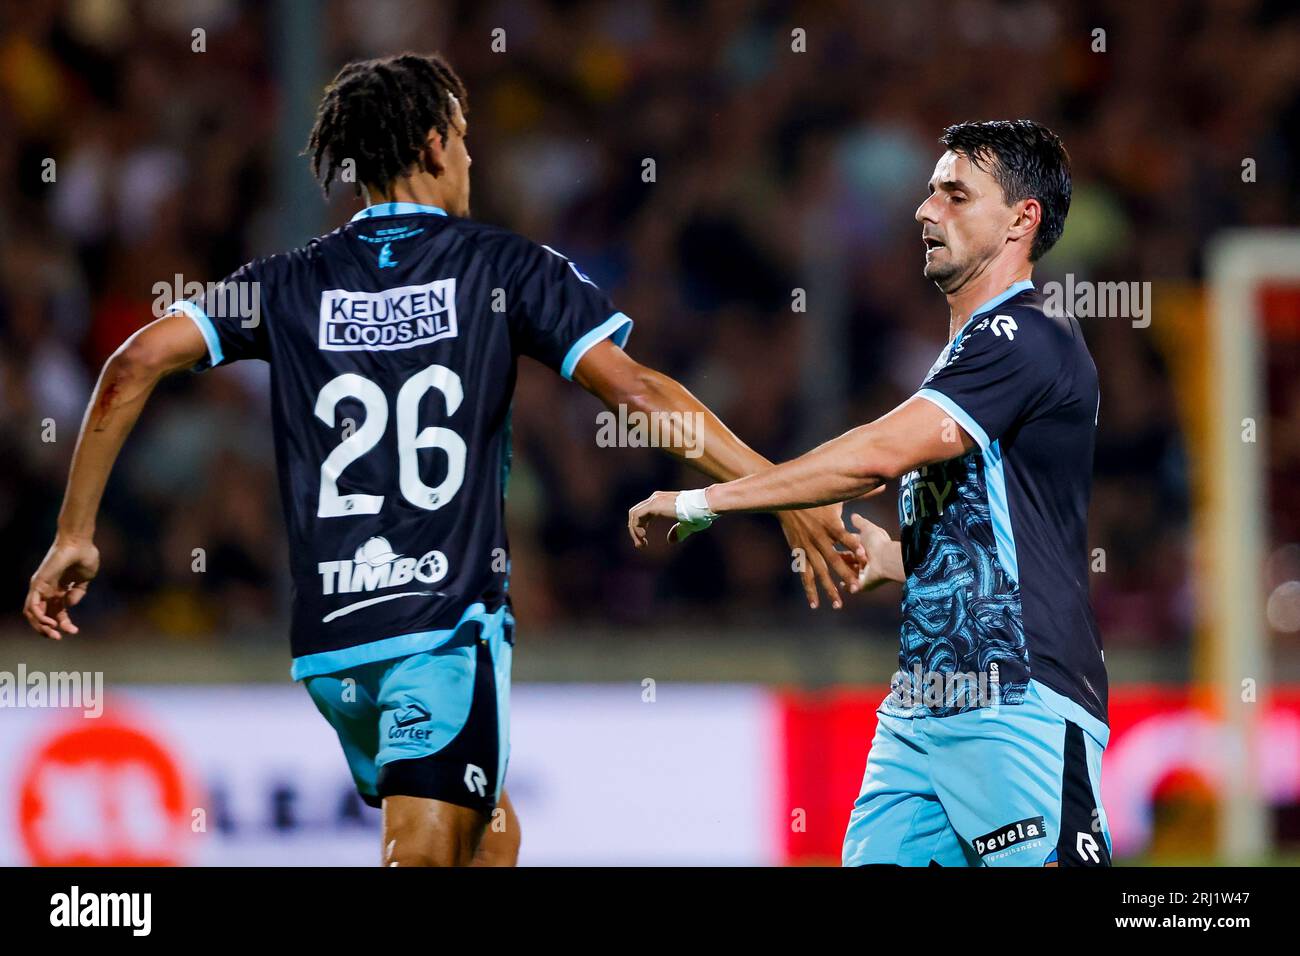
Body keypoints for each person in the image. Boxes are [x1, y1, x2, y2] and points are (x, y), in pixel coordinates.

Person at [23, 53, 860, 867]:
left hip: (330, 649)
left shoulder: (285, 280)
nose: (470, 156)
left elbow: (133, 362)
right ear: (431, 144)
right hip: (438, 633)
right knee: (423, 854)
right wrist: (774, 490)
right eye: (462, 137)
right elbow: (638, 397)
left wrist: (74, 532)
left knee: (489, 833)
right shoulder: (501, 266)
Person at [629, 120, 1111, 867]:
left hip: (1018, 698)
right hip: (922, 709)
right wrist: (902, 560)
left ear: (1023, 219)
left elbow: (877, 457)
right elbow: (999, 526)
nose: (926, 210)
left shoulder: (1032, 333)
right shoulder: (967, 352)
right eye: (929, 193)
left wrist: (708, 501)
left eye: (955, 194)